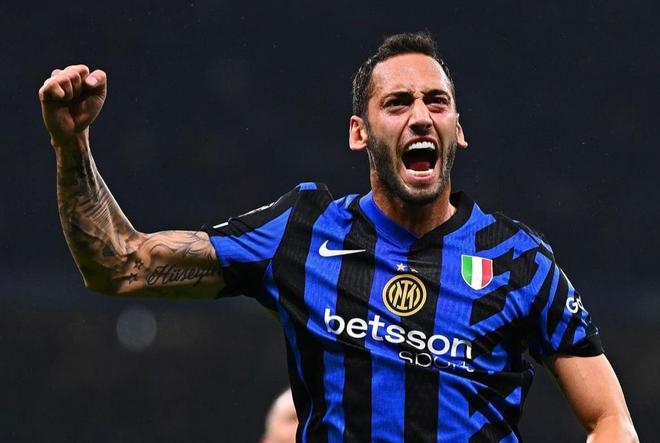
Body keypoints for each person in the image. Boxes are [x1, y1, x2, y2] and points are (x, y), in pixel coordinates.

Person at [39, 32, 638, 442]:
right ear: (359, 133)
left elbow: (610, 420)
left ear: (459, 129)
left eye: (437, 102)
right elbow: (120, 265)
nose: (421, 116)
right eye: (397, 103)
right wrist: (72, 147)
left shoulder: (518, 260)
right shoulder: (301, 232)